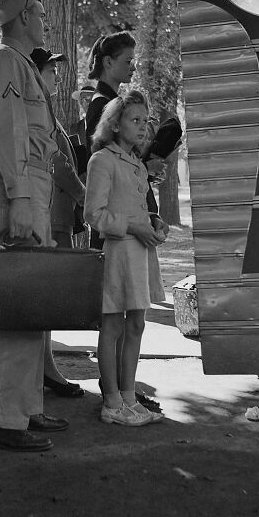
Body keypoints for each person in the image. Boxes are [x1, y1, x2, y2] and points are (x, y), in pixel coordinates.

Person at [0, 0, 69, 452]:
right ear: (24, 17)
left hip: (29, 194)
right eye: (41, 12)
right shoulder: (5, 63)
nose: (46, 18)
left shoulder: (21, 66)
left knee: (29, 306)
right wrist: (23, 199)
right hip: (17, 197)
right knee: (12, 308)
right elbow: (8, 137)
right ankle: (0, 417)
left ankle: (25, 408)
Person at [83, 32, 165, 411]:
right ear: (115, 123)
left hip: (139, 254)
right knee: (113, 325)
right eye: (135, 120)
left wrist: (154, 222)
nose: (143, 128)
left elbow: (137, 206)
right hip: (116, 252)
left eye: (146, 122)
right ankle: (112, 400)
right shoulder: (102, 160)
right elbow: (95, 214)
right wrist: (133, 227)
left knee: (137, 325)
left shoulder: (134, 162)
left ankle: (129, 396)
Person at [31, 47, 86, 399]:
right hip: (51, 217)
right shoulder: (39, 110)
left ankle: (46, 367)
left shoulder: (46, 108)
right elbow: (56, 162)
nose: (57, 75)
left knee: (48, 299)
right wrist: (82, 192)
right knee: (45, 300)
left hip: (57, 216)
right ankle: (45, 370)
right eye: (50, 69)